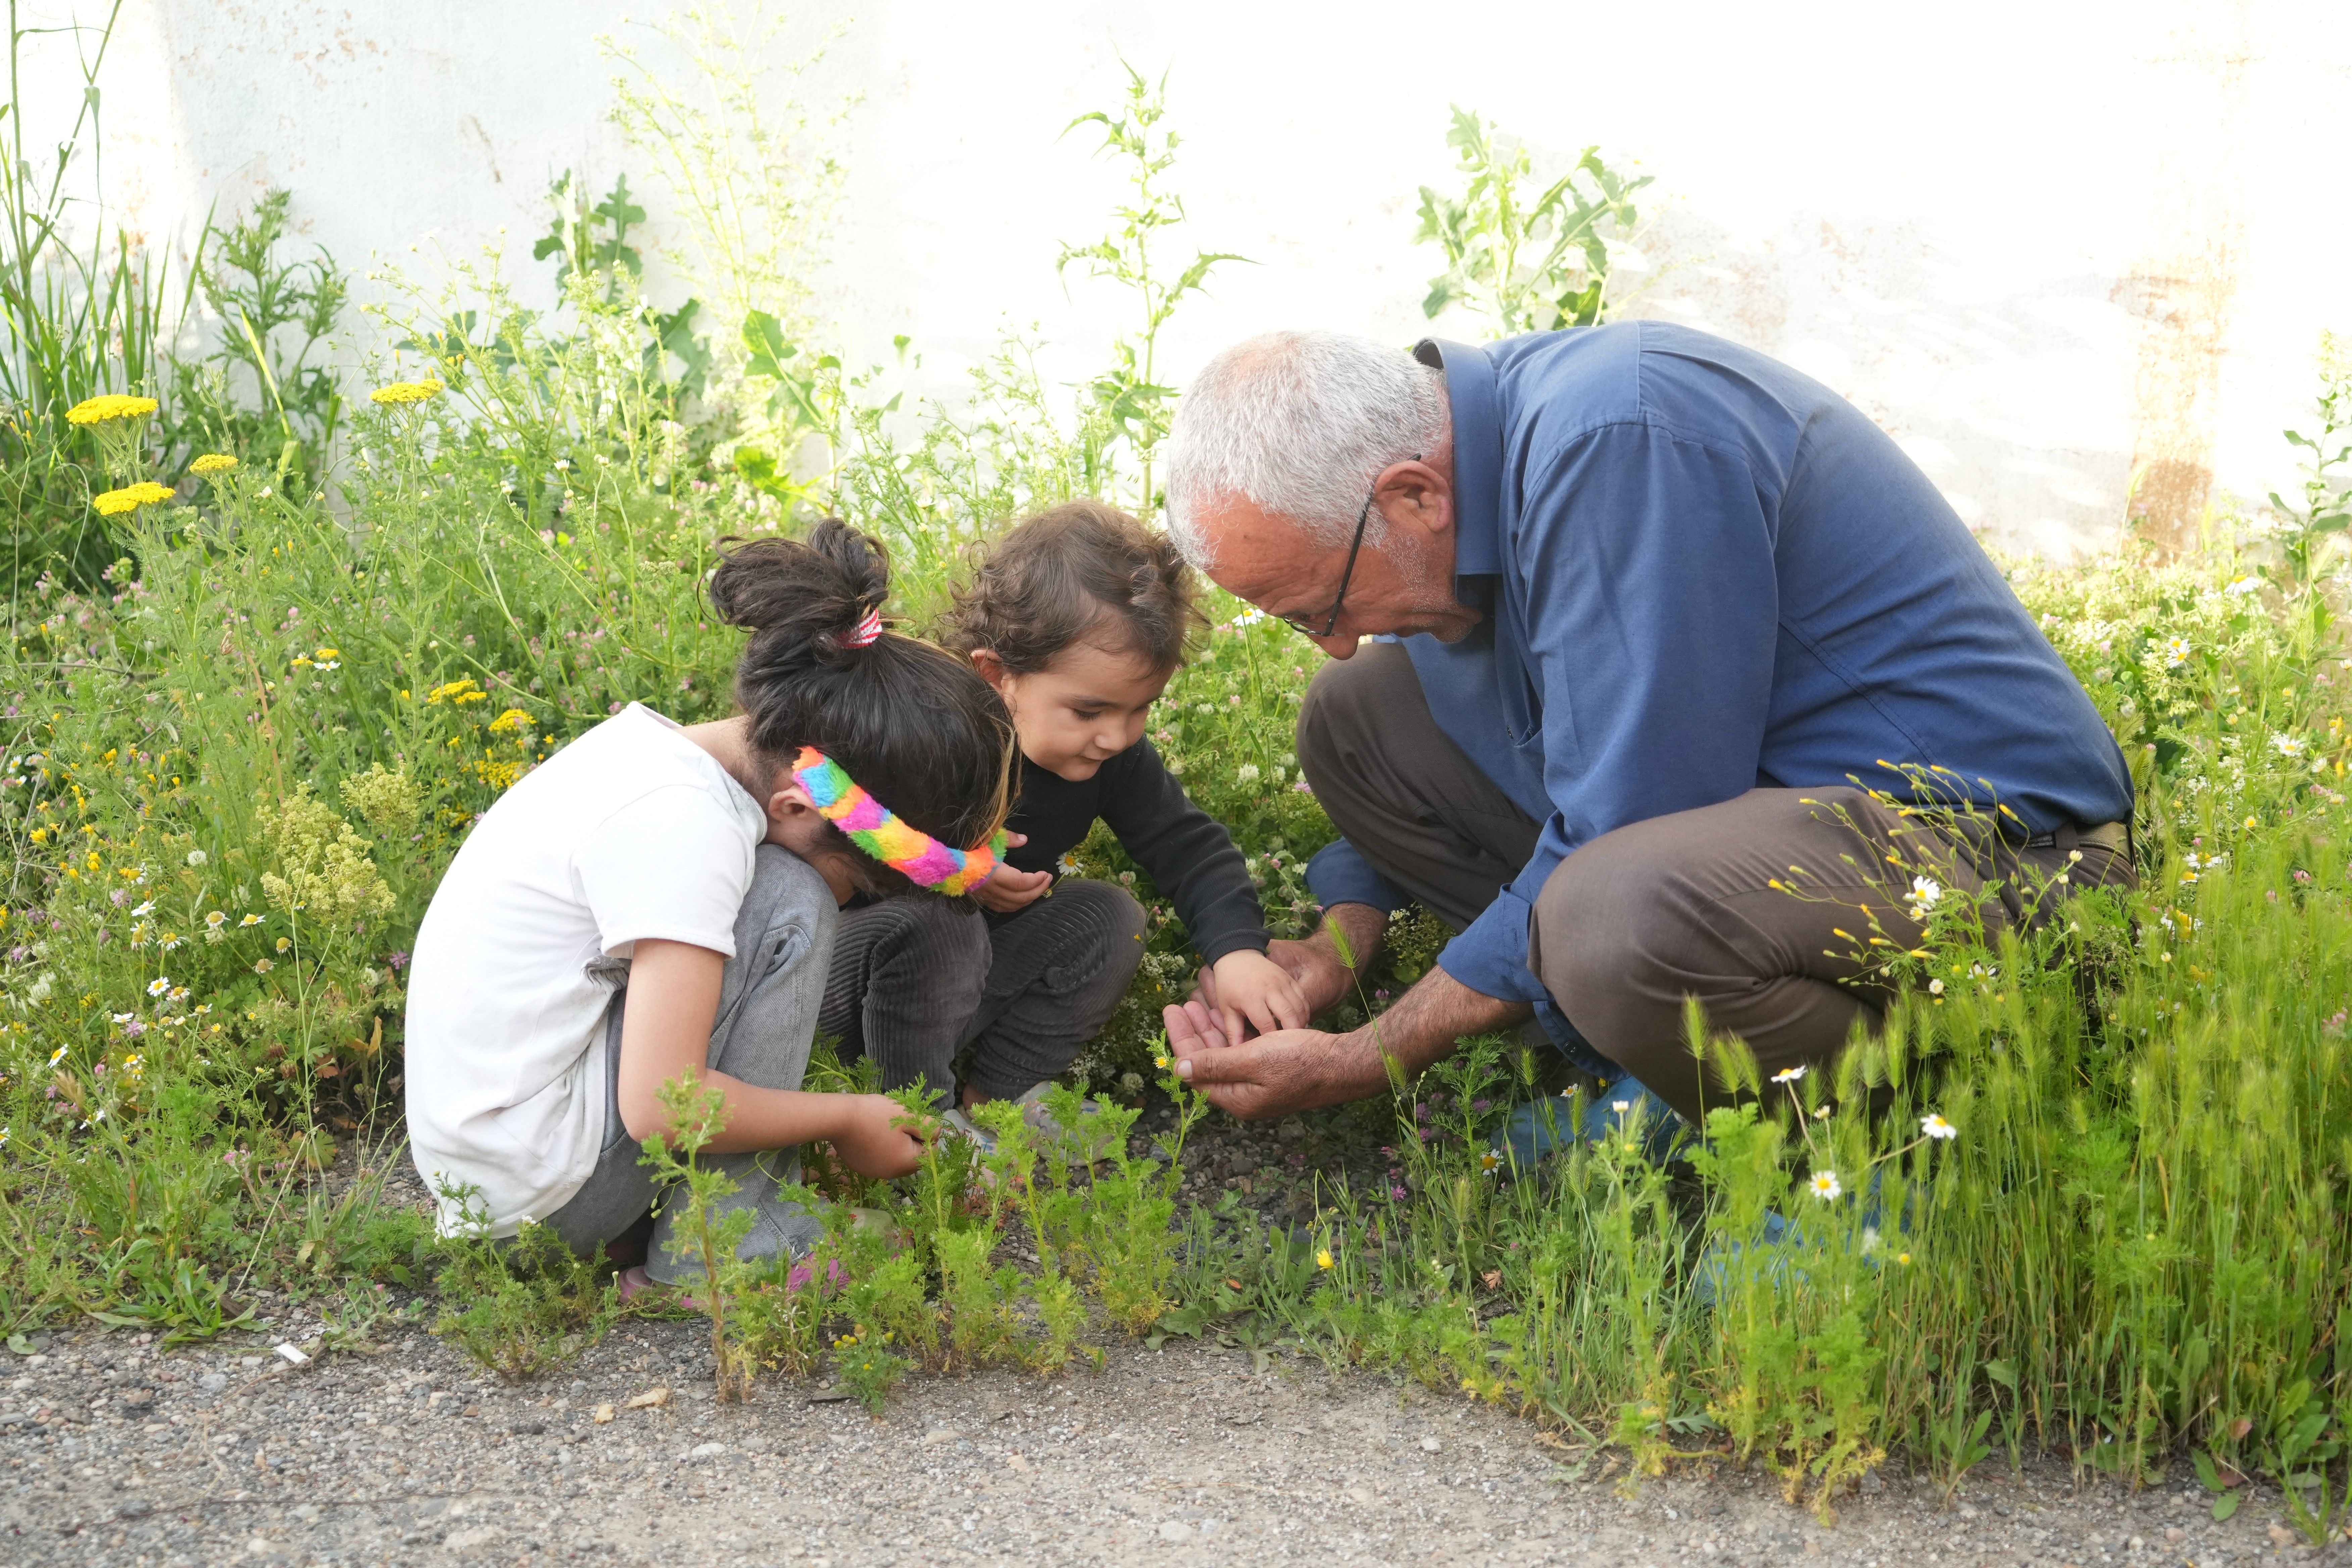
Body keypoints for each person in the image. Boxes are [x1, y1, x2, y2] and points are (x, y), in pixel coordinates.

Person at [1154, 325, 2137, 1129]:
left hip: (2009, 875)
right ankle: (1665, 1070)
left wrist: (1367, 1057)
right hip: (1787, 854)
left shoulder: (1619, 441)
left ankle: (1874, 1163)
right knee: (1355, 716)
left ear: (1415, 496)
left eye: (1318, 606)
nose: (1331, 641)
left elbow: (1623, 820)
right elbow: (1557, 758)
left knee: (1606, 913)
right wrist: (1340, 941)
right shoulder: (1473, 482)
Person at [404, 519, 1014, 1284]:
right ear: (799, 802)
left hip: (503, 1173)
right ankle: (733, 1243)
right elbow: (666, 1105)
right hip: (542, 1197)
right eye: (857, 879)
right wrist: (846, 1116)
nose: (851, 897)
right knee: (791, 896)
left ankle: (658, 1221)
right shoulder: (684, 829)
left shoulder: (659, 763)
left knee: (783, 886)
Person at [818, 500, 1306, 1115]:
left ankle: (997, 1104)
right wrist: (954, 869)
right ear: (997, 675)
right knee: (942, 924)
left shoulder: (1111, 758)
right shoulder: (927, 733)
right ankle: (917, 1124)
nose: (1118, 736)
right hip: (850, 990)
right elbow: (834, 831)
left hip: (961, 988)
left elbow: (1189, 848)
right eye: (1089, 711)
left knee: (1109, 917)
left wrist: (1238, 953)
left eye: (1140, 708)